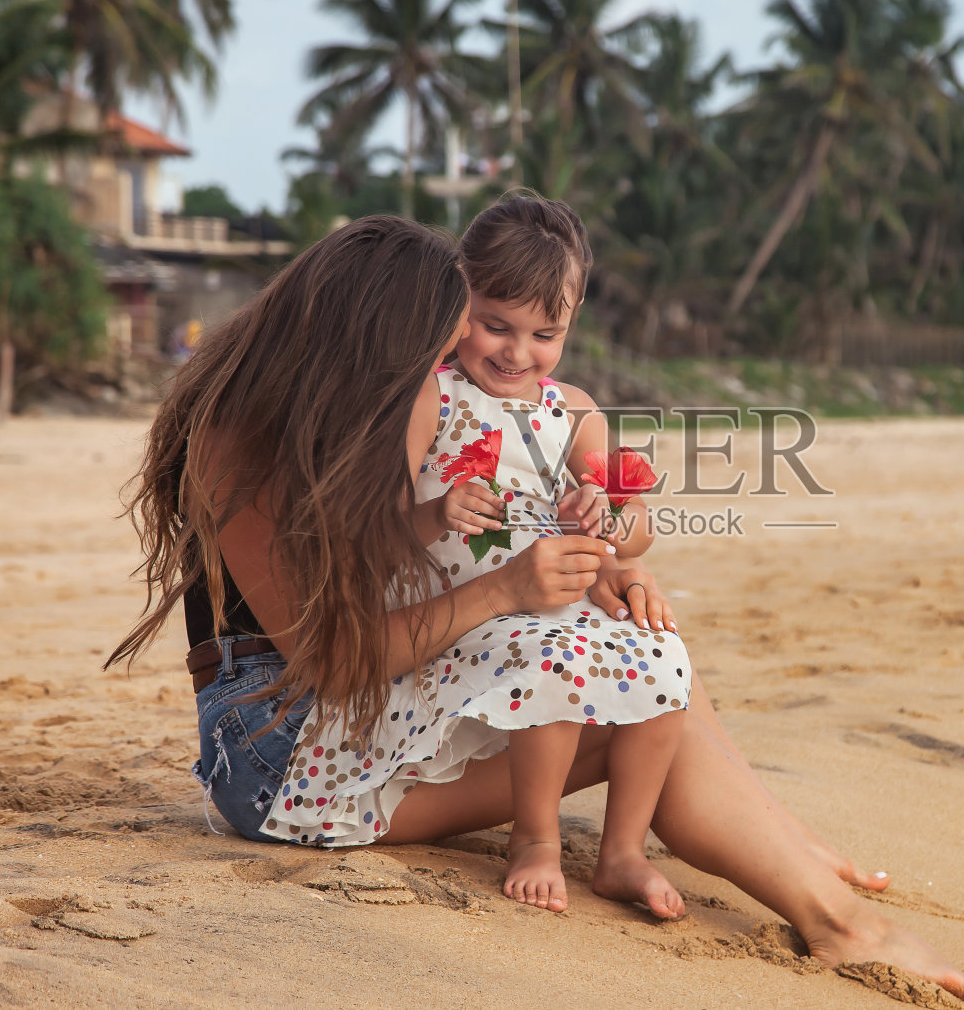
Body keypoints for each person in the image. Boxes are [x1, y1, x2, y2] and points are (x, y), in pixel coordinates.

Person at [108, 214, 964, 1006]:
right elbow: (333, 659)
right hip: (280, 759)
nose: (455, 369)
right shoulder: (240, 437)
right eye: (443, 345)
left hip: (362, 705)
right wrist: (506, 589)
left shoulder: (386, 407)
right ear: (367, 346)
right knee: (630, 697)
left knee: (634, 644)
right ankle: (835, 913)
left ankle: (794, 855)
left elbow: (459, 547)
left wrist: (597, 569)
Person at [285, 195, 689, 918]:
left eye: (544, 333)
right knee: (555, 653)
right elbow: (373, 527)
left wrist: (609, 514)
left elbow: (636, 525)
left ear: (571, 321)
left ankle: (622, 850)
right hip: (446, 624)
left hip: (541, 605)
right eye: (494, 323)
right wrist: (435, 513)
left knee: (662, 654)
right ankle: (534, 838)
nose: (515, 351)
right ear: (458, 291)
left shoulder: (573, 410)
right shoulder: (432, 398)